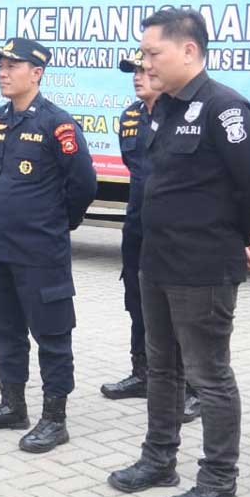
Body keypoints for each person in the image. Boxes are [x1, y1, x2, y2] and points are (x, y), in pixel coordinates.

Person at [107, 9, 250, 497]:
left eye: (154, 54)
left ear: (189, 51)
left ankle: (219, 484)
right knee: (163, 369)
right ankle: (159, 460)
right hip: (157, 261)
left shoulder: (224, 109)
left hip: (202, 267)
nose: (147, 64)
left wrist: (234, 240)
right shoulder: (166, 109)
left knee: (209, 376)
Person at [0, 38, 97, 454]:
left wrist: (58, 223)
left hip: (41, 253)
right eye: (0, 65)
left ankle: (54, 418)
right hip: (0, 249)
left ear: (36, 73)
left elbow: (83, 184)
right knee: (6, 331)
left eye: (12, 65)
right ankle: (12, 404)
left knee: (53, 335)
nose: (3, 72)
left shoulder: (57, 124)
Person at [100, 51, 202, 421]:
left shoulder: (183, 116)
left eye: (143, 70)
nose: (138, 77)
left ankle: (194, 388)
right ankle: (142, 372)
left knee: (180, 313)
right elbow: (136, 170)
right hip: (138, 225)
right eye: (133, 71)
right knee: (137, 301)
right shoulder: (129, 116)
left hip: (175, 232)